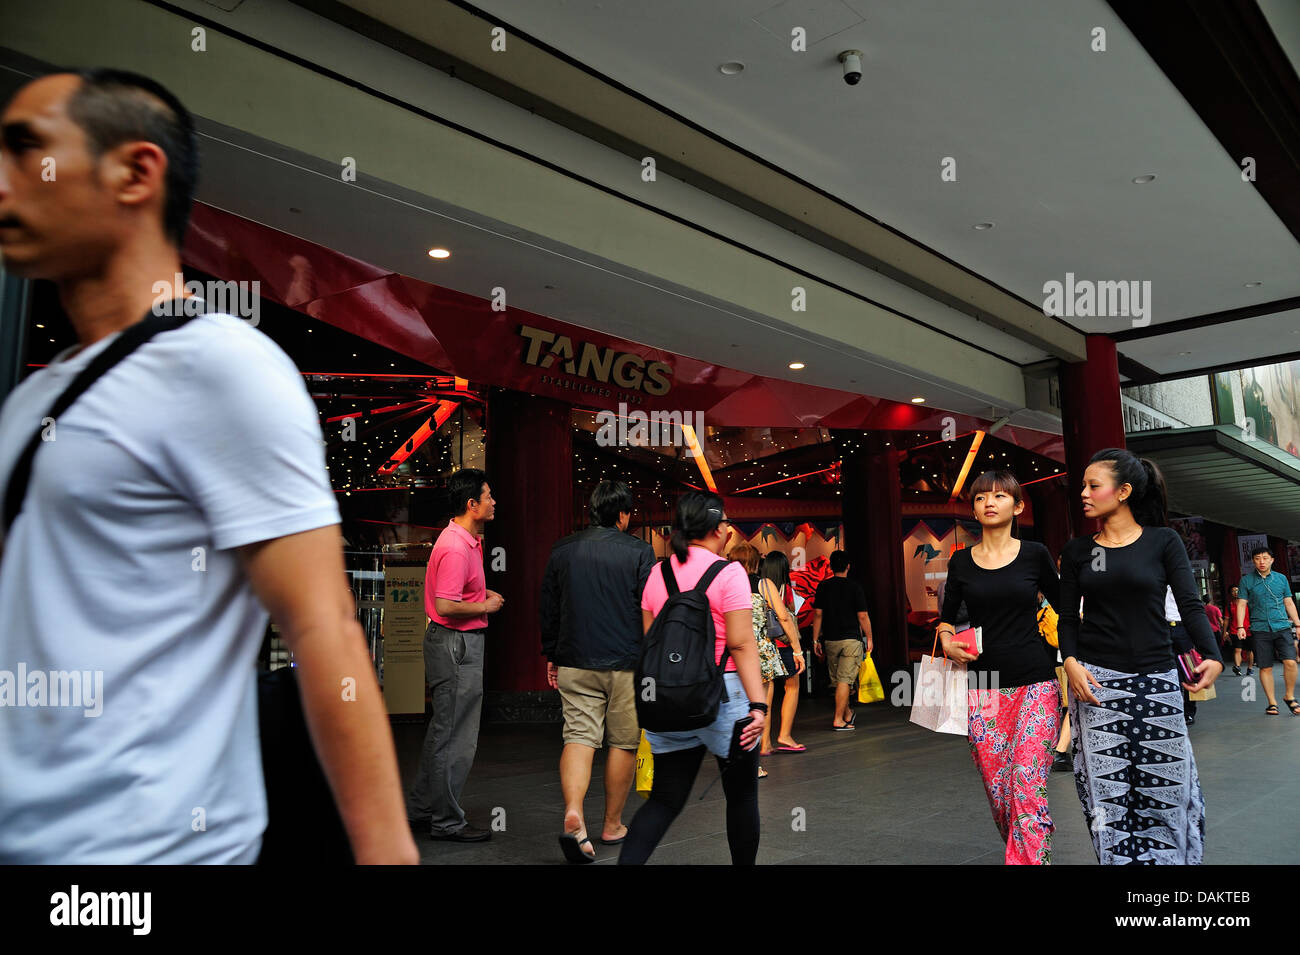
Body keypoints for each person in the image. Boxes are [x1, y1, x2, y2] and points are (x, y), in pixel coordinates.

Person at [0, 70, 416, 863]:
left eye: (29, 149)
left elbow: (324, 627)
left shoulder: (222, 366)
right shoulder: (30, 403)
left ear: (135, 172)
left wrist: (387, 854)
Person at [1059, 449, 1222, 865]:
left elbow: (1189, 603)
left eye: (1093, 485)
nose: (1084, 493)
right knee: (1107, 796)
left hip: (1157, 679)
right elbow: (1067, 619)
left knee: (1167, 786)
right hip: (1095, 683)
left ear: (1124, 491)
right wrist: (1071, 663)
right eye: (1083, 485)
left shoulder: (1162, 542)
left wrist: (1213, 655)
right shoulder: (1079, 551)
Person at [619, 492, 766, 864]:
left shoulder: (657, 573)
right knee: (742, 795)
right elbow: (742, 644)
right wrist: (759, 705)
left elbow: (652, 643)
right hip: (725, 697)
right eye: (728, 523)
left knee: (665, 799)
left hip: (667, 699)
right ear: (718, 529)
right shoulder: (730, 573)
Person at [936, 470, 1062, 865]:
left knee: (1026, 785)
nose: (988, 502)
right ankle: (1029, 845)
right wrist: (946, 641)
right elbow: (946, 618)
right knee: (999, 791)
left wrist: (1073, 661)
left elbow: (1064, 609)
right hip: (983, 687)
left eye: (999, 496)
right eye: (980, 498)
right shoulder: (960, 562)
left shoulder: (1035, 554)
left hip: (1036, 682)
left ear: (1017, 506)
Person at [540, 480, 655, 862]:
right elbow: (648, 608)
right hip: (627, 662)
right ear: (623, 514)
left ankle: (575, 812)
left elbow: (550, 608)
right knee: (622, 742)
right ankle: (612, 824)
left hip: (574, 658)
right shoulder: (641, 552)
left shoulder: (563, 550)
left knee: (578, 737)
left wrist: (551, 652)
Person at [406, 468, 504, 842]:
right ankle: (446, 822)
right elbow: (446, 605)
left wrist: (480, 599)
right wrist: (486, 606)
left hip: (451, 642)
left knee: (442, 733)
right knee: (456, 737)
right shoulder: (455, 546)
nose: (494, 502)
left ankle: (421, 811)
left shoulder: (464, 541)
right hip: (456, 644)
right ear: (471, 504)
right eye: (489, 495)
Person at [728, 540, 787, 779]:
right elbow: (782, 615)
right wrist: (795, 647)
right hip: (758, 652)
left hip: (729, 654)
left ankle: (737, 759)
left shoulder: (725, 585)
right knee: (760, 706)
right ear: (754, 563)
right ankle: (756, 758)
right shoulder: (762, 585)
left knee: (735, 710)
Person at [811, 550, 873, 730]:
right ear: (848, 566)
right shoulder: (855, 587)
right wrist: (869, 637)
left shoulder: (823, 587)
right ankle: (838, 719)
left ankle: (847, 713)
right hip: (851, 641)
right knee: (845, 680)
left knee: (839, 681)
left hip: (831, 640)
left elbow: (817, 614)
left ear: (830, 567)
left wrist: (815, 640)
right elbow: (862, 616)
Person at [1234, 546, 1300, 716]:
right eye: (1257, 558)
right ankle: (1272, 703)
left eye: (1265, 558)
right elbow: (1241, 604)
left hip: (1282, 626)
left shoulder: (1281, 579)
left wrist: (1298, 624)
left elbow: (1289, 602)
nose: (1261, 561)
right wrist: (1240, 626)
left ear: (1272, 560)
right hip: (1259, 628)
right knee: (1265, 667)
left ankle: (1289, 696)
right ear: (1253, 561)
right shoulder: (1246, 581)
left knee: (1291, 662)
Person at [758, 550, 807, 753]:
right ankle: (785, 735)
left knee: (765, 695)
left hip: (765, 646)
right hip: (784, 646)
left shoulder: (758, 587)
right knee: (792, 687)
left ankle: (764, 743)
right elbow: (791, 616)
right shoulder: (786, 590)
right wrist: (798, 650)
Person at [1227, 585, 1254, 675]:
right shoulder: (1229, 605)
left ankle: (1250, 668)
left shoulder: (1247, 603)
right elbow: (1226, 620)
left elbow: (1253, 615)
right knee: (1237, 650)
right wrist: (1224, 632)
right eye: (1233, 591)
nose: (1236, 592)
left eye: (1237, 590)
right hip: (1235, 630)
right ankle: (1237, 667)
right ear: (1230, 593)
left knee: (1249, 650)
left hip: (1248, 629)